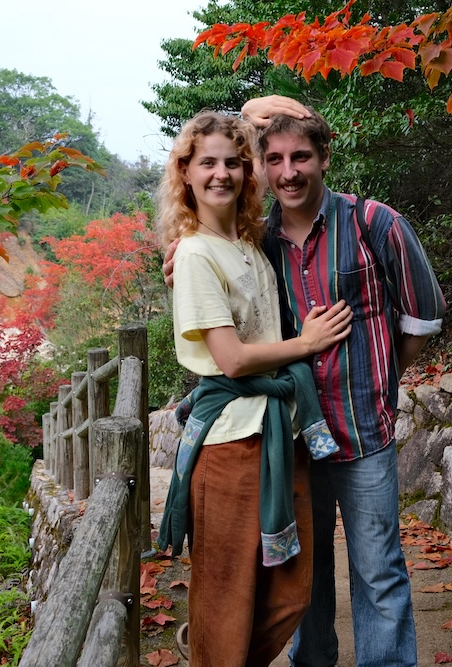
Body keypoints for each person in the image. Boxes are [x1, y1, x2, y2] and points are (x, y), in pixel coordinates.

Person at [166, 98, 446, 667]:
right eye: (275, 158)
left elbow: (420, 319)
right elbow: (216, 275)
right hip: (291, 438)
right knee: (304, 575)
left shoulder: (373, 222)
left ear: (323, 158)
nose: (288, 170)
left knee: (378, 570)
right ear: (263, 168)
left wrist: (378, 377)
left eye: (301, 156)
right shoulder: (259, 240)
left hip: (364, 431)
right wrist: (181, 251)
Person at [154, 111, 353, 667]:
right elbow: (233, 359)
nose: (221, 174)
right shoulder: (193, 253)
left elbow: (291, 118)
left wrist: (250, 121)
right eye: (206, 163)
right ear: (186, 173)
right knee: (225, 598)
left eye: (232, 162)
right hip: (228, 444)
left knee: (291, 590)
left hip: (276, 433)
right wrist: (307, 343)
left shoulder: (247, 241)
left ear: (247, 171)